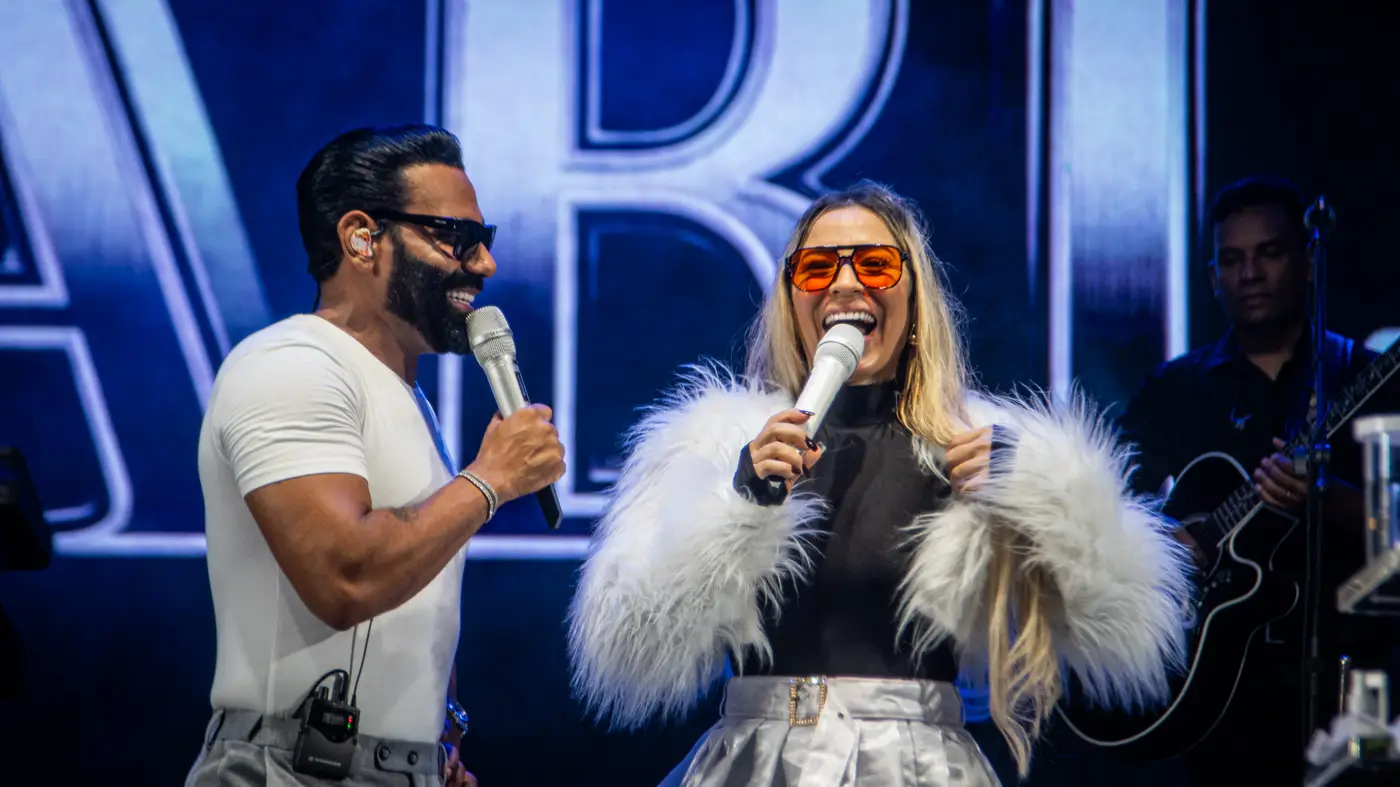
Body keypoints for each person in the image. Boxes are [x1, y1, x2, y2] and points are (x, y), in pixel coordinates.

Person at [567, 181, 1195, 786]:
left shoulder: (975, 449)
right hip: (760, 762)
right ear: (791, 299)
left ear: (913, 295)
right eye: (817, 268)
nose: (845, 283)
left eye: (874, 264)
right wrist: (737, 502)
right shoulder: (717, 445)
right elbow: (627, 650)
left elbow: (1133, 626)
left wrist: (1044, 489)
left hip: (917, 764)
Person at [184, 124, 564, 787]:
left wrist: (429, 737)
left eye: (485, 240)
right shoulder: (291, 364)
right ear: (362, 238)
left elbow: (408, 599)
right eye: (458, 237)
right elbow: (345, 580)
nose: (484, 265)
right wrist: (488, 480)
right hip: (291, 766)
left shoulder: (406, 399)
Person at [1115, 176, 1400, 786]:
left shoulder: (1370, 378)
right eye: (1232, 259)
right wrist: (1162, 544)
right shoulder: (1176, 389)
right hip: (1217, 701)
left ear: (1306, 263)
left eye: (1269, 253)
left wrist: (1330, 500)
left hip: (1354, 686)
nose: (1250, 273)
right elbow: (1104, 508)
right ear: (1212, 277)